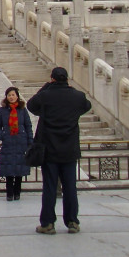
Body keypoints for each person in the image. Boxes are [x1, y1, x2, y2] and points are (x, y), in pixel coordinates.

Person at [27, 66, 91, 235]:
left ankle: (48, 223)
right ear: (67, 79)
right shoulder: (77, 97)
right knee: (70, 187)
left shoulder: (46, 96)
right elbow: (86, 106)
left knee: (49, 187)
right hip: (69, 149)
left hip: (50, 150)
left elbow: (31, 105)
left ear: (52, 78)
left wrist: (47, 86)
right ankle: (72, 221)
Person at [0, 87, 33, 201]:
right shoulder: (1, 111)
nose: (11, 97)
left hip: (21, 141)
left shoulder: (22, 110)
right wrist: (2, 135)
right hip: (8, 141)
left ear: (17, 96)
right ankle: (9, 193)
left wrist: (30, 140)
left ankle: (17, 192)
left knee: (20, 168)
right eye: (9, 95)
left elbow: (28, 125)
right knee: (9, 168)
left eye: (13, 95)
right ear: (6, 97)